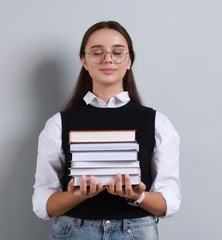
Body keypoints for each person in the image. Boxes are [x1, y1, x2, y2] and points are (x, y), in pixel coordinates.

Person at [33, 21, 181, 239]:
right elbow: (43, 203)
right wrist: (76, 196)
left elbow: (170, 201)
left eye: (117, 52)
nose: (108, 59)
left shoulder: (158, 123)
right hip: (75, 231)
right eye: (97, 52)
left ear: (129, 60)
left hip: (136, 232)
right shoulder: (58, 124)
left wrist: (138, 196)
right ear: (84, 61)